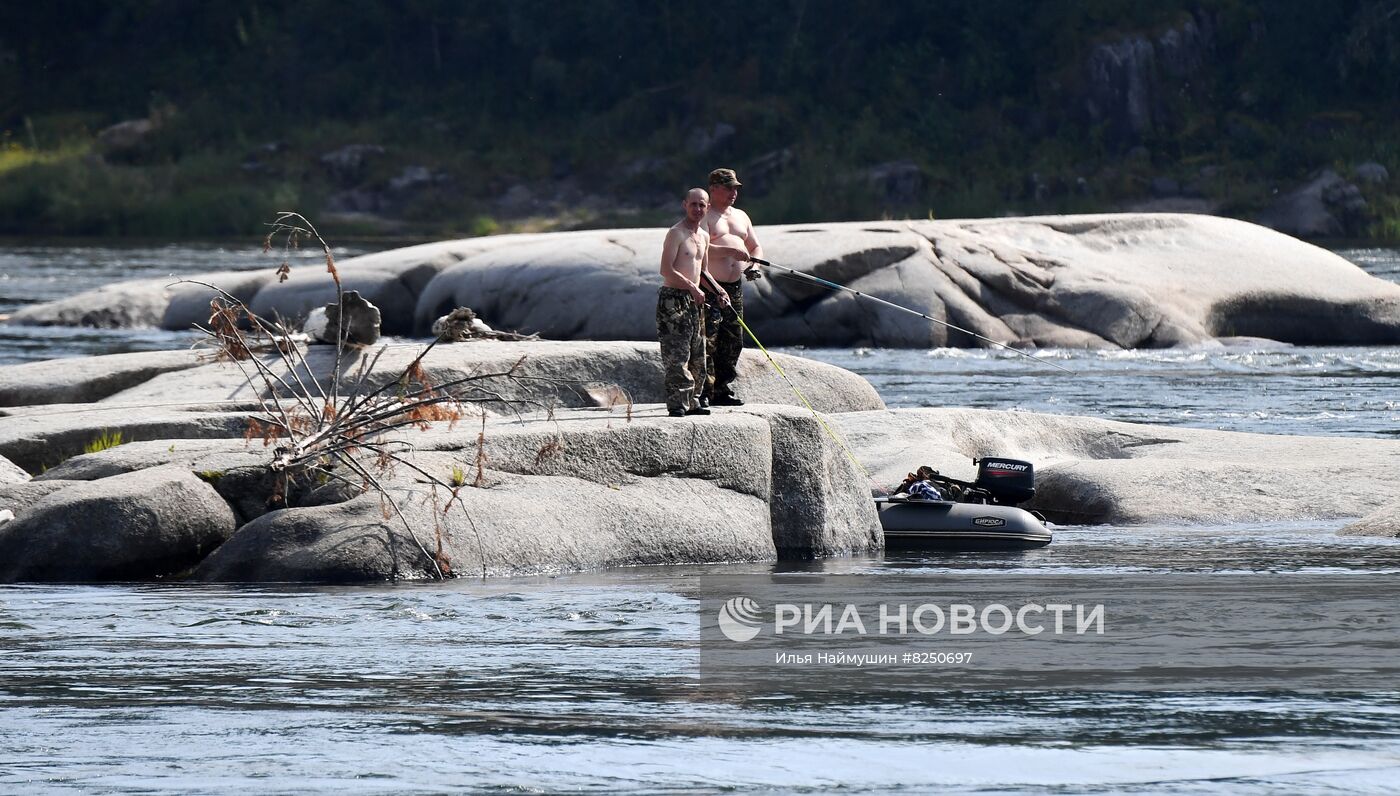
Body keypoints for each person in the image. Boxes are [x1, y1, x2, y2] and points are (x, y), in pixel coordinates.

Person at [657, 188, 730, 417]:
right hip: (674, 300)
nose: (698, 209)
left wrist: (718, 290)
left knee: (699, 353)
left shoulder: (704, 237)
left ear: (708, 208)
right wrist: (691, 286)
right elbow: (665, 270)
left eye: (702, 205)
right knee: (677, 355)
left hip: (695, 301)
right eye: (693, 205)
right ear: (685, 205)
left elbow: (704, 271)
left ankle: (694, 401)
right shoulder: (676, 233)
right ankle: (678, 404)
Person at [700, 167, 764, 407]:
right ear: (714, 189)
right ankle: (703, 391)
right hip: (709, 286)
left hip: (734, 287)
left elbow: (755, 247)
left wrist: (755, 265)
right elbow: (699, 248)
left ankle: (721, 389)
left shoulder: (741, 216)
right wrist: (729, 251)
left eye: (735, 188)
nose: (733, 193)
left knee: (733, 338)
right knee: (708, 339)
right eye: (728, 188)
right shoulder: (704, 215)